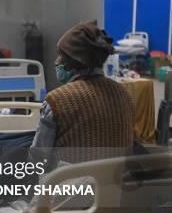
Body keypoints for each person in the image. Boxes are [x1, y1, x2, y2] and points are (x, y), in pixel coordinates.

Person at [32, 21, 135, 157]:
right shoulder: (125, 95)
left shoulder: (56, 101)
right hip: (115, 177)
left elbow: (38, 156)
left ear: (71, 62)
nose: (56, 61)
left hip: (67, 177)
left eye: (60, 55)